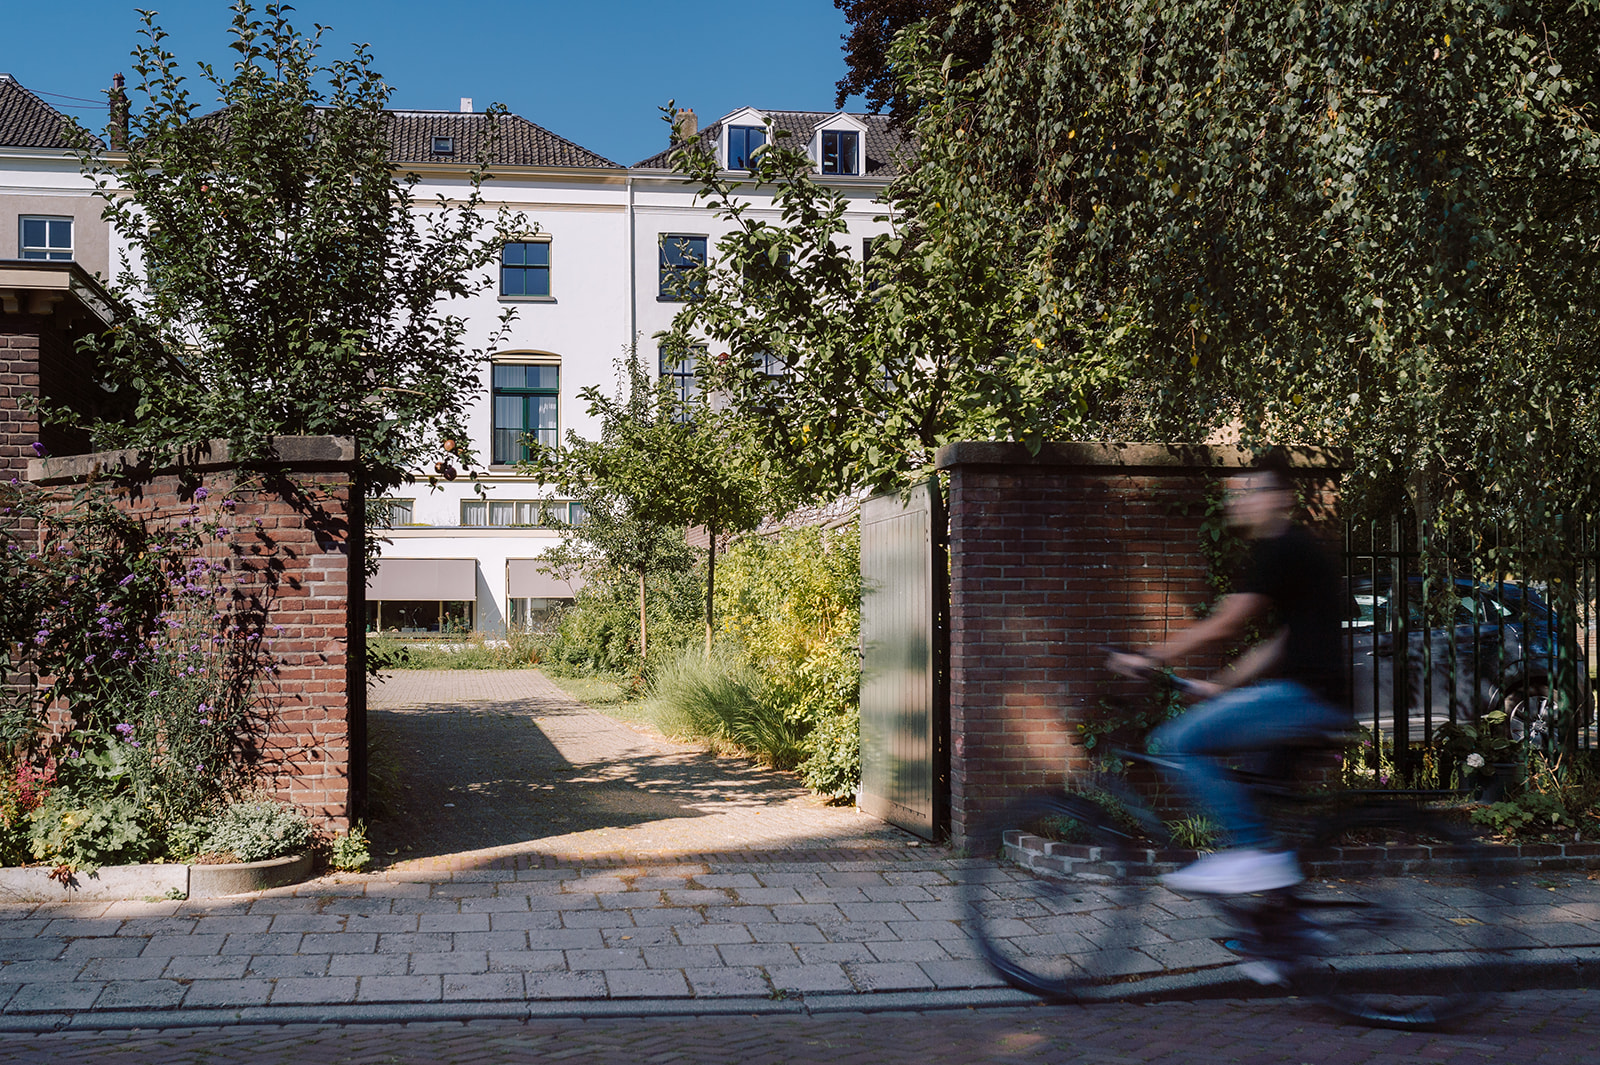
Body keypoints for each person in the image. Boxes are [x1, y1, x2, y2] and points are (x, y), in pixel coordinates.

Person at [1107, 453, 1350, 895]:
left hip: (1304, 698)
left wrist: (1148, 657)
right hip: (1314, 697)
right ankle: (1277, 939)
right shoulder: (1287, 549)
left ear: (1280, 498)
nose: (1237, 502)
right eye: (1233, 495)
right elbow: (1277, 643)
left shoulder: (1282, 549)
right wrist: (1220, 685)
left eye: (1249, 492)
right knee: (1257, 798)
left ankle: (1254, 855)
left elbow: (1224, 623)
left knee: (1176, 743)